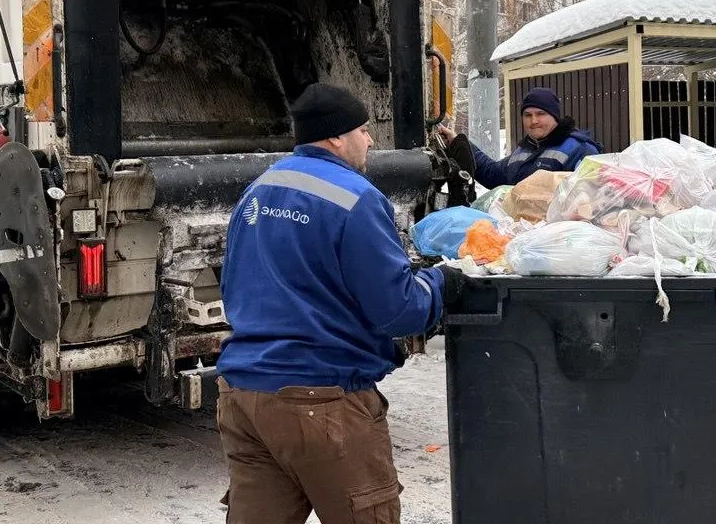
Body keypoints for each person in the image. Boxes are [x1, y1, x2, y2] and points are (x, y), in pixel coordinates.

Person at [216, 83, 469, 524]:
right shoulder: (355, 196)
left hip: (245, 397)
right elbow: (398, 310)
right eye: (365, 130)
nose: (370, 141)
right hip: (321, 400)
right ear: (336, 136)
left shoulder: (258, 189)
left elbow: (237, 283)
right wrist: (441, 282)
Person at [437, 86, 601, 189]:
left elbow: (592, 199)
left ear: (555, 116)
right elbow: (493, 174)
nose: (534, 121)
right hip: (523, 235)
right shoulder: (524, 151)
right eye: (528, 115)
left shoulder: (581, 150)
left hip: (558, 239)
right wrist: (459, 143)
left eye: (541, 114)